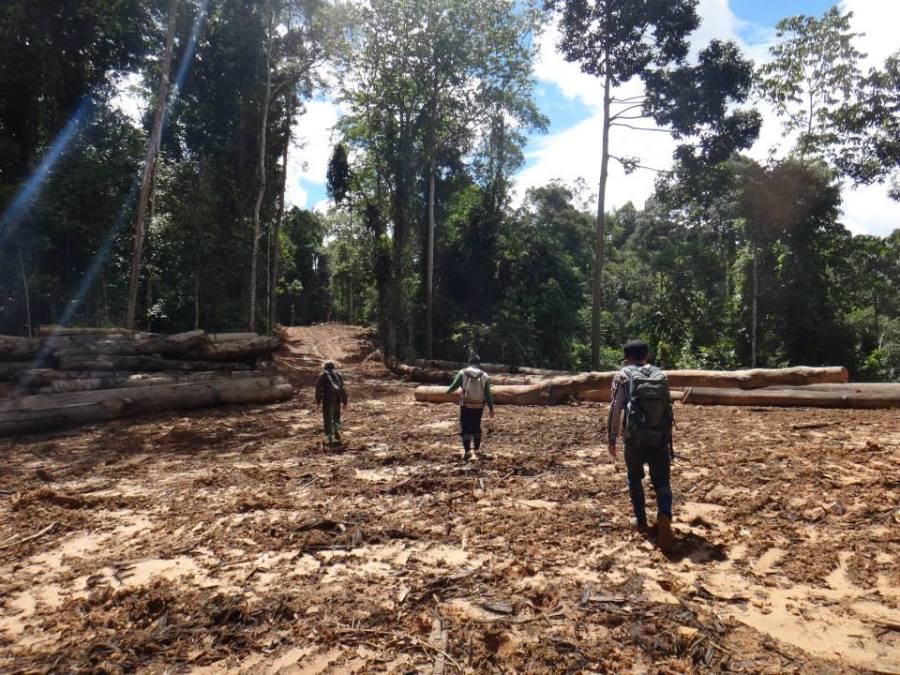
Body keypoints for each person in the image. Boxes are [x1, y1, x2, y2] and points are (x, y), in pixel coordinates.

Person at [607, 340, 675, 551]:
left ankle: (641, 520)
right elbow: (667, 408)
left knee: (634, 477)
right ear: (647, 355)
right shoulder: (660, 375)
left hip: (634, 438)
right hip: (660, 437)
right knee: (662, 482)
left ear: (626, 357)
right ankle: (664, 515)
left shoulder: (622, 375)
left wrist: (612, 438)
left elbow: (615, 408)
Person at [446, 353, 494, 461]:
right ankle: (476, 450)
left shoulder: (462, 373)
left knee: (466, 426)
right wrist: (491, 407)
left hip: (466, 404)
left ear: (469, 362)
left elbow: (453, 386)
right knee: (476, 426)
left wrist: (447, 392)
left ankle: (467, 451)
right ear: (478, 363)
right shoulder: (484, 375)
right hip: (479, 405)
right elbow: (488, 393)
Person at [315, 360, 348, 443]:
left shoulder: (322, 375)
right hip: (337, 399)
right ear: (334, 367)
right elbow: (343, 388)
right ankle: (336, 428)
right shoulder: (338, 375)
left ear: (324, 367)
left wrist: (318, 402)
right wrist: (345, 402)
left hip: (327, 400)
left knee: (327, 418)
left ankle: (330, 437)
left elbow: (318, 389)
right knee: (336, 416)